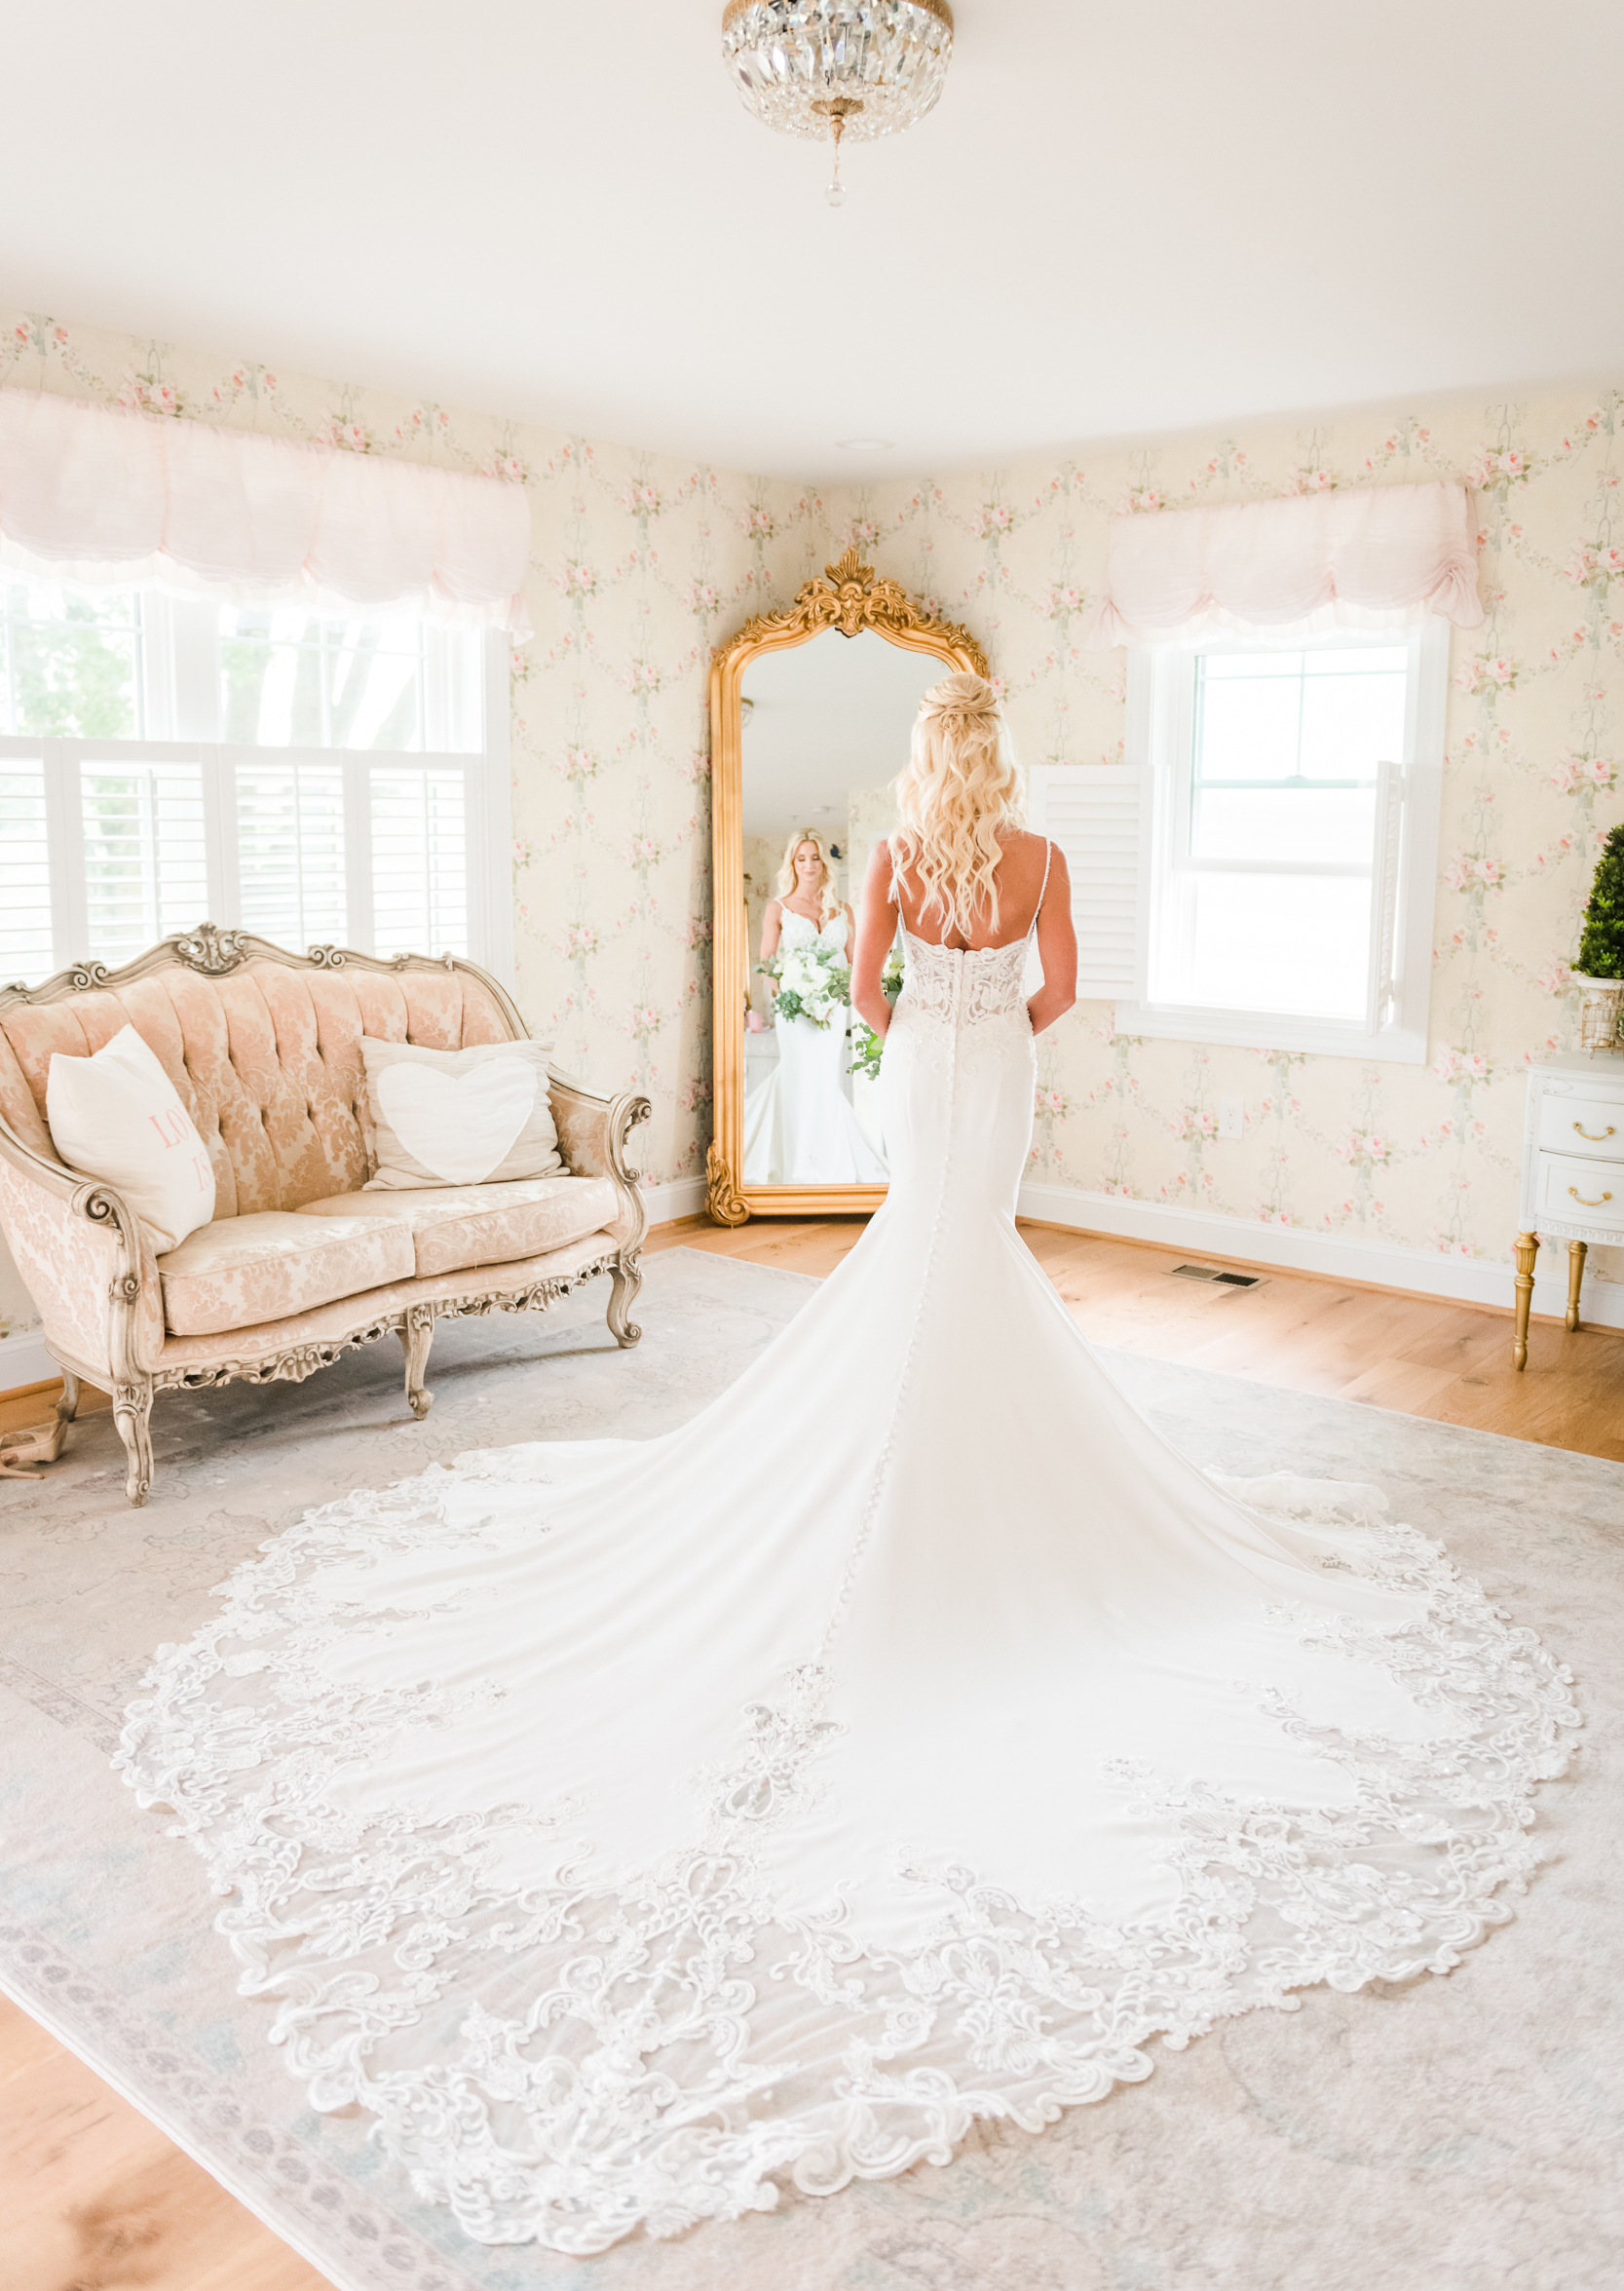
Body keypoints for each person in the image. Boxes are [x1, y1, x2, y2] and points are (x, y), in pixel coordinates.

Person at [117, 671, 1576, 2257]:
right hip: (997, 1080)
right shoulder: (1036, 861)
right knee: (971, 1253)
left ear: (923, 764)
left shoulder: (894, 855)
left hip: (926, 1078)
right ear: (998, 764)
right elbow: (1061, 991)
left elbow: (867, 988)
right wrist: (989, 1016)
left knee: (920, 1252)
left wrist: (926, 1025)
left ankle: (914, 1436)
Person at [742, 827, 887, 1183]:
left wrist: (839, 997)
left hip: (833, 1012)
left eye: (815, 857)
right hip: (795, 1012)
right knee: (797, 1076)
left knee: (823, 1079)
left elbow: (855, 965)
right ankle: (790, 1164)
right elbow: (767, 965)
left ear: (825, 862)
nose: (809, 865)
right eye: (801, 858)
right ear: (792, 863)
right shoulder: (778, 908)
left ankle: (829, 1164)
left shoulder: (844, 911)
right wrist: (793, 998)